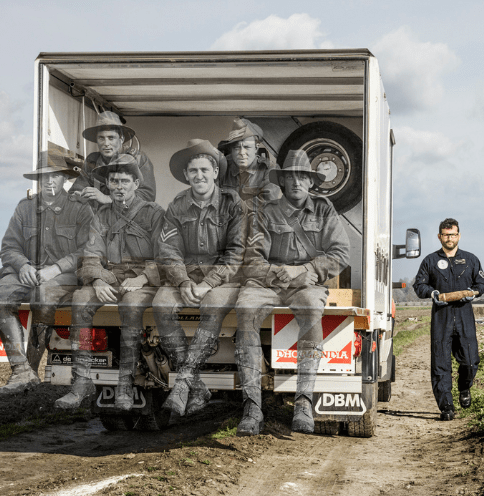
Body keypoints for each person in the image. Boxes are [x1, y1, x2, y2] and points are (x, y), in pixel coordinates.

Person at [234, 150, 349, 435]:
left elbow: (341, 253)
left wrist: (305, 270)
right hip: (268, 283)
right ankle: (251, 407)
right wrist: (276, 274)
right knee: (245, 309)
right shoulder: (266, 212)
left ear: (311, 182)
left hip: (306, 283)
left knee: (312, 308)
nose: (296, 183)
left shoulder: (323, 210)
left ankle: (303, 403)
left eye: (302, 177)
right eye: (290, 177)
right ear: (283, 183)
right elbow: (252, 258)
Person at [55, 155, 164, 410]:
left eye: (124, 181)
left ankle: (125, 384)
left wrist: (142, 278)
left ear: (136, 183)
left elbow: (166, 255)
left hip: (143, 281)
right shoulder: (101, 215)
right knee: (80, 300)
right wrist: (95, 280)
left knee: (131, 306)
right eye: (113, 181)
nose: (118, 186)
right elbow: (91, 254)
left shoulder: (154, 214)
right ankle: (81, 381)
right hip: (111, 278)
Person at [153, 139, 245, 417]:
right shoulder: (177, 206)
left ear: (216, 172)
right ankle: (196, 386)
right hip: (187, 277)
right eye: (193, 171)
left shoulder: (233, 204)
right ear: (186, 175)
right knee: (160, 305)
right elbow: (168, 250)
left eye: (205, 169)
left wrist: (207, 284)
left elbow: (236, 253)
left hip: (222, 279)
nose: (199, 176)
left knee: (212, 306)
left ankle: (182, 382)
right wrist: (182, 282)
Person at [0, 152, 93, 395]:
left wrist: (56, 268)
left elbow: (88, 249)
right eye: (44, 176)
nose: (49, 181)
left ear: (64, 179)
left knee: (43, 294)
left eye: (55, 176)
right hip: (27, 271)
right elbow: (8, 247)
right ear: (38, 179)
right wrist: (23, 265)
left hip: (64, 274)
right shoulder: (24, 208)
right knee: (2, 291)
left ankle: (32, 367)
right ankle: (20, 370)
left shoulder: (80, 209)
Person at [413, 218, 484, 421]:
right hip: (441, 317)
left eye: (453, 234)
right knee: (441, 364)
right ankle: (446, 406)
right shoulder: (430, 261)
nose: (450, 238)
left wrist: (475, 293)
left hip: (464, 315)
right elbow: (419, 286)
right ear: (439, 237)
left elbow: (481, 283)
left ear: (459, 236)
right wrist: (432, 293)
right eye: (446, 235)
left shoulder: (471, 260)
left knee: (471, 360)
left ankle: (464, 387)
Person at [68, 111, 156, 205]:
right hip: (101, 217)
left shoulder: (138, 158)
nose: (106, 144)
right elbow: (77, 188)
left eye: (111, 138)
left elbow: (148, 195)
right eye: (101, 138)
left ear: (121, 139)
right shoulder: (92, 160)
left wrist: (109, 199)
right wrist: (79, 196)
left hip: (129, 217)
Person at [217, 118, 281, 209]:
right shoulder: (222, 167)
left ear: (256, 148)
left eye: (247, 147)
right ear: (231, 150)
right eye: (236, 148)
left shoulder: (270, 169)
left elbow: (266, 203)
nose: (242, 153)